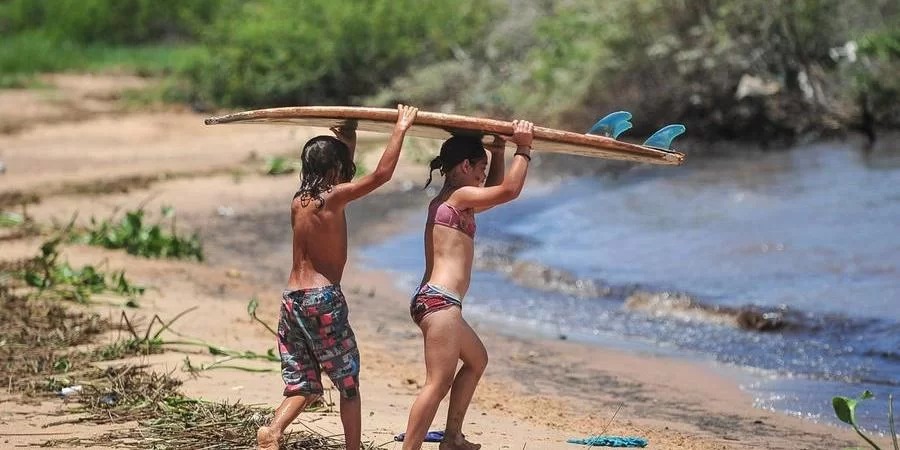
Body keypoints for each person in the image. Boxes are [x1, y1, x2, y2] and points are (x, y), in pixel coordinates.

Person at [257, 104, 419, 450]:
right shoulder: (333, 199)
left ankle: (272, 431)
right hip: (322, 299)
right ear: (334, 171)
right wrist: (400, 129)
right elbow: (381, 176)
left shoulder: (299, 201)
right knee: (348, 382)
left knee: (304, 382)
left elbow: (340, 173)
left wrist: (347, 138)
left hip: (292, 300)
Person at [402, 120, 535, 450]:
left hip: (435, 301)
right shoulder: (460, 197)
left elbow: (496, 189)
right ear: (465, 166)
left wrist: (498, 150)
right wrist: (524, 148)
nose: (482, 177)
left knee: (477, 360)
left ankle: (452, 438)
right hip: (441, 302)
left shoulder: (451, 200)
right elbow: (509, 191)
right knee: (437, 384)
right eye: (480, 169)